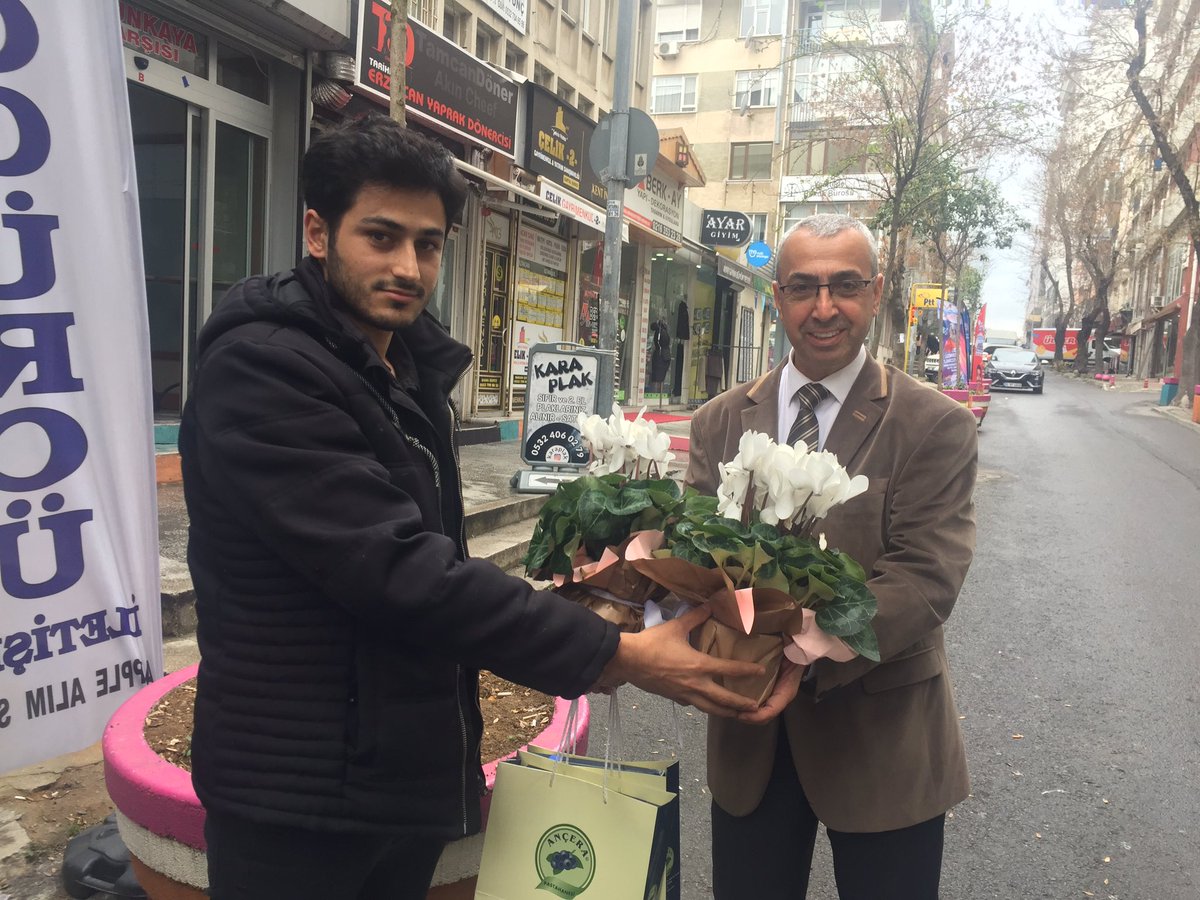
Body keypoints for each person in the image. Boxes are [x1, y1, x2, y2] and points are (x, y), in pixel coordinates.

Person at [179, 115, 785, 900]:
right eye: (382, 237)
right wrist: (618, 656)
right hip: (297, 800)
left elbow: (433, 563)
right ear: (317, 233)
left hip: (386, 774)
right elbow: (400, 570)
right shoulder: (265, 370)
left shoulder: (398, 365)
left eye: (428, 244)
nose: (408, 266)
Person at [686, 214, 977, 899]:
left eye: (845, 286)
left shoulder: (932, 423)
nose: (824, 308)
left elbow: (927, 572)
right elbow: (697, 551)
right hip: (752, 735)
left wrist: (815, 641)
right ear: (778, 297)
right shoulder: (720, 420)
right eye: (803, 288)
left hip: (882, 737)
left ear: (876, 293)